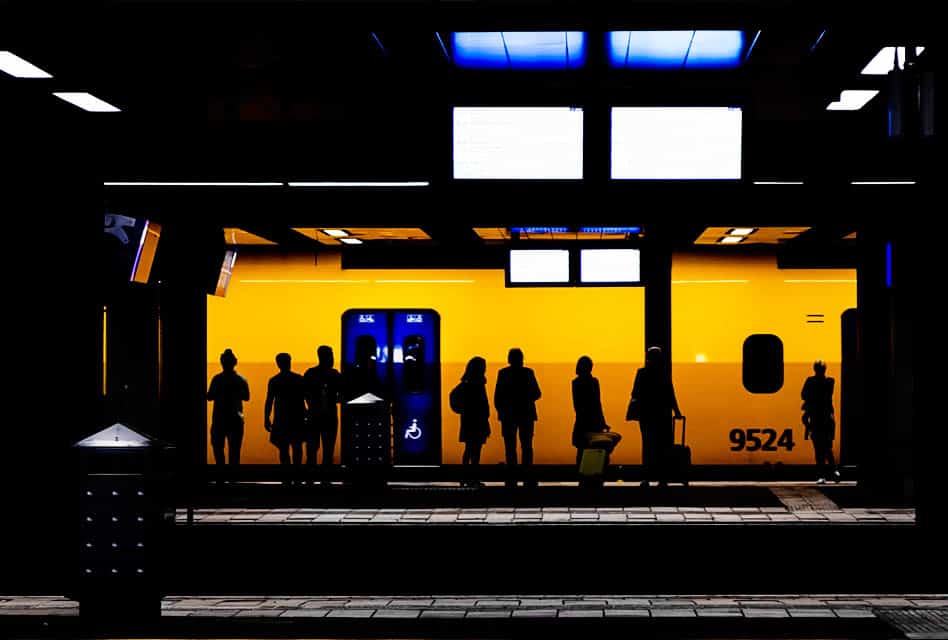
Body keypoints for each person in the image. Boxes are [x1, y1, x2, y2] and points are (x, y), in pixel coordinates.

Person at [629, 346, 681, 488]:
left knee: (647, 446)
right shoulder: (664, 374)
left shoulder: (641, 373)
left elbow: (634, 393)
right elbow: (670, 394)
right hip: (662, 415)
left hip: (646, 415)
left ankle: (646, 477)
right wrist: (676, 411)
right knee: (662, 447)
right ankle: (662, 478)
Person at [494, 348, 542, 488]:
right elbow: (537, 393)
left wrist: (503, 411)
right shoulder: (528, 373)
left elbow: (498, 397)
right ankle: (527, 475)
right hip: (526, 413)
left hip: (508, 415)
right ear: (522, 358)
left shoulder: (503, 374)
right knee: (527, 445)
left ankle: (512, 475)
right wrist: (525, 398)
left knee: (510, 446)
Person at [303, 346, 343, 480]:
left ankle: (311, 476)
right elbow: (342, 395)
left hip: (314, 415)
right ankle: (326, 477)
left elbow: (304, 394)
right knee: (328, 448)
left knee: (312, 448)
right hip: (330, 416)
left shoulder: (310, 373)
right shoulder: (335, 375)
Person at [206, 348, 250, 466]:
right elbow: (246, 397)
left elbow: (210, 396)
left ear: (222, 362)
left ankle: (221, 474)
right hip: (236, 418)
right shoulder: (241, 379)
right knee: (235, 451)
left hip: (219, 418)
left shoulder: (217, 379)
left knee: (218, 447)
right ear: (235, 362)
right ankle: (232, 477)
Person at [264, 353, 307, 471]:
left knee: (283, 448)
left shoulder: (274, 380)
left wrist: (266, 417)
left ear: (278, 364)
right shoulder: (298, 379)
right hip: (297, 417)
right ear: (289, 362)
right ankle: (296, 474)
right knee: (297, 447)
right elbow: (306, 398)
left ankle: (287, 474)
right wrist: (308, 414)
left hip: (281, 418)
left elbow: (269, 401)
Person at [801, 360, 840, 484]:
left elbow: (803, 395)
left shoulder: (810, 381)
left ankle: (822, 475)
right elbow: (826, 396)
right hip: (827, 418)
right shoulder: (830, 381)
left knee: (818, 449)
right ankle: (834, 471)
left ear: (814, 369)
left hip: (815, 418)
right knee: (828, 447)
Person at [456, 356, 491, 487]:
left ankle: (465, 477)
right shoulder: (477, 384)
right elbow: (482, 404)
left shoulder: (467, 382)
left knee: (469, 449)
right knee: (475, 451)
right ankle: (472, 478)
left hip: (468, 420)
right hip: (477, 421)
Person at [571, 355, 610, 466]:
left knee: (581, 449)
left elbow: (577, 405)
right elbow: (597, 403)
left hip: (582, 421)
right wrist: (602, 422)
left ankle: (581, 474)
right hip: (594, 420)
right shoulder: (594, 382)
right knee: (595, 450)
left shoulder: (575, 382)